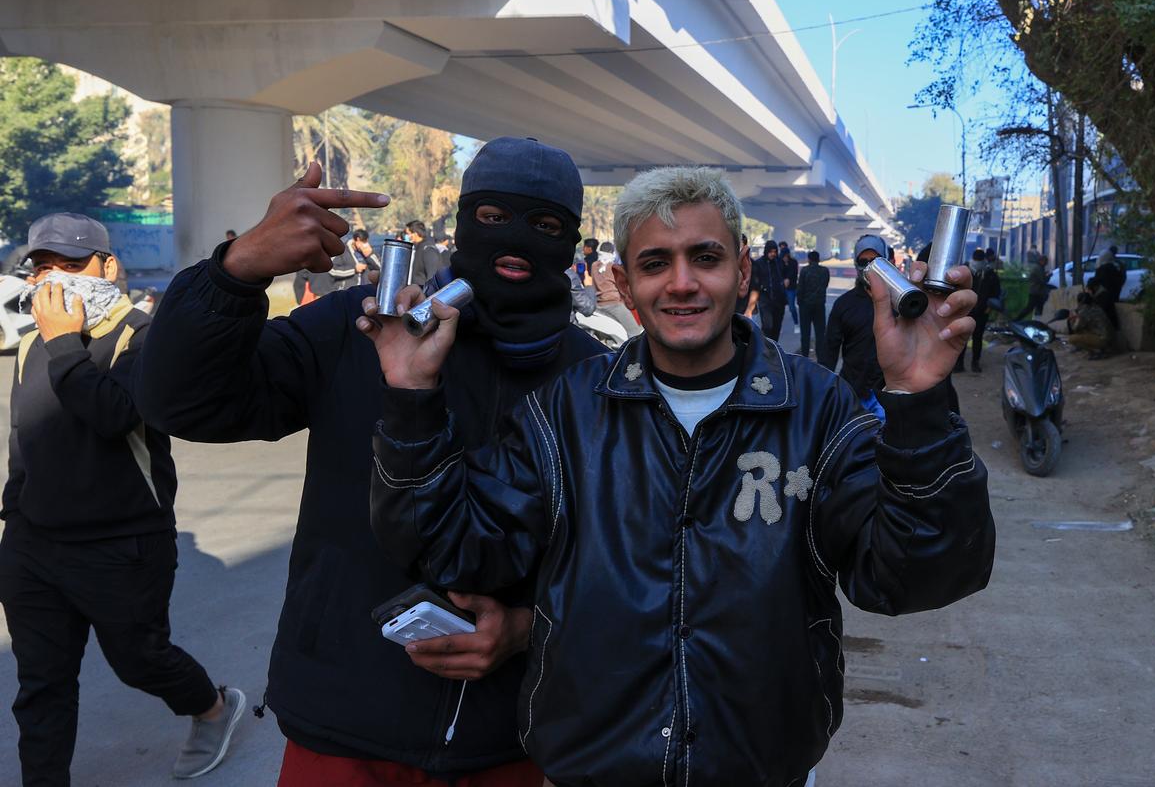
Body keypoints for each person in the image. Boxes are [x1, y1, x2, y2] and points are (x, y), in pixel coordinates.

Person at [364, 166, 995, 787]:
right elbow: (454, 550)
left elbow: (916, 576)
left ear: (742, 270)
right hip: (589, 768)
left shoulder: (819, 409)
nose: (683, 284)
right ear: (623, 283)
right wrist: (412, 394)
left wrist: (918, 398)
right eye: (656, 263)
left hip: (761, 769)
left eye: (706, 257)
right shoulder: (565, 412)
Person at [134, 141, 606, 786]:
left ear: (572, 242)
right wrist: (237, 271)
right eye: (493, 218)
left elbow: (627, 562)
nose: (517, 242)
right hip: (343, 728)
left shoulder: (598, 379)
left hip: (514, 739)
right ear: (464, 222)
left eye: (546, 227)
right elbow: (181, 403)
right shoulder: (360, 329)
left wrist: (529, 631)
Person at [0, 213, 243, 786]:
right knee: (41, 686)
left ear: (108, 266)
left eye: (70, 264)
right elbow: (25, 437)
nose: (55, 280)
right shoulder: (32, 340)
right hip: (34, 545)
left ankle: (211, 706)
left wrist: (65, 343)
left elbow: (113, 414)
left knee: (140, 660)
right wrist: (13, 519)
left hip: (122, 544)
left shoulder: (144, 336)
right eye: (44, 268)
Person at [820, 234, 888, 420]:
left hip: (888, 396)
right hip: (852, 393)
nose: (869, 266)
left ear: (886, 261)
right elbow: (829, 351)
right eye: (863, 261)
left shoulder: (900, 303)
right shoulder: (844, 304)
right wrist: (821, 391)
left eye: (875, 260)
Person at [957, 248, 1001, 374]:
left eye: (979, 260)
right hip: (966, 311)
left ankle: (975, 363)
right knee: (963, 338)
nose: (977, 263)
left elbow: (995, 293)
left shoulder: (990, 274)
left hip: (982, 312)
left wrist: (989, 308)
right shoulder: (964, 272)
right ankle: (959, 364)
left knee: (977, 338)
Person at [590, 241, 643, 338]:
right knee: (635, 332)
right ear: (612, 252)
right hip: (614, 305)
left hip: (599, 305)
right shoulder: (614, 267)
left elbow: (593, 285)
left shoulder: (594, 266)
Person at [747, 239, 788, 340]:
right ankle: (765, 348)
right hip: (765, 299)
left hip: (779, 300)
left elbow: (786, 273)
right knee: (767, 326)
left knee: (776, 327)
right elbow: (754, 282)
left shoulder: (779, 262)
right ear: (766, 251)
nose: (773, 254)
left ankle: (773, 350)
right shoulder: (759, 263)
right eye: (771, 252)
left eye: (775, 252)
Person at [796, 249, 829, 358]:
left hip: (805, 306)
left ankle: (805, 357)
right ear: (818, 259)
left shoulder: (804, 271)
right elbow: (825, 285)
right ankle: (821, 356)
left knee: (805, 333)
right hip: (819, 305)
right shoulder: (825, 271)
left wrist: (800, 302)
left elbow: (800, 288)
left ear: (809, 259)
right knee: (820, 333)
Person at [1068, 290, 1116, 359]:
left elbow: (1075, 328)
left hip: (1103, 339)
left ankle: (1096, 352)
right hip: (1110, 337)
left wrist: (1072, 320)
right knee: (1082, 331)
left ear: (1079, 302)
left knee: (1071, 339)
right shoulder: (1096, 307)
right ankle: (1103, 350)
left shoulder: (1084, 311)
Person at [406, 220, 442, 288]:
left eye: (408, 233)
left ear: (415, 233)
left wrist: (427, 294)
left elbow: (432, 276)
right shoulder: (418, 248)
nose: (408, 236)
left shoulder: (428, 249)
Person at [1017, 254, 1050, 320]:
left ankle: (1040, 321)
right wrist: (1048, 276)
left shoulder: (1038, 268)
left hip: (1037, 291)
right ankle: (1017, 319)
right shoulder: (1038, 268)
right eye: (1046, 262)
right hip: (1036, 292)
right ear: (1042, 261)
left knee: (1039, 308)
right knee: (1031, 308)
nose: (1046, 264)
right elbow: (1042, 280)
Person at [779, 241, 800, 332]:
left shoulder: (794, 262)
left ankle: (796, 324)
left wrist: (788, 279)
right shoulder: (779, 262)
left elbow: (794, 273)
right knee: (780, 308)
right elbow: (779, 273)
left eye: (786, 257)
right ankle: (778, 326)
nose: (785, 259)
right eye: (783, 257)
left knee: (792, 307)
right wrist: (783, 279)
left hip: (791, 288)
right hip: (782, 288)